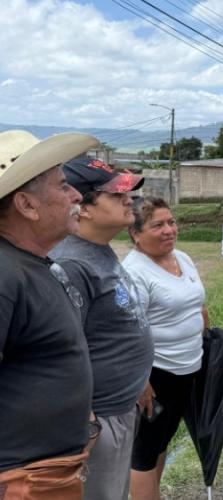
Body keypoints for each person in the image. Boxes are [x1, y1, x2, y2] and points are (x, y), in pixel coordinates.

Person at [0, 130, 99, 497]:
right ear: (27, 205)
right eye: (63, 186)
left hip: (47, 473)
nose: (76, 196)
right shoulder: (4, 274)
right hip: (23, 482)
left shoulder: (30, 264)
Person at [50, 158, 153, 500]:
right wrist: (89, 422)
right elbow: (60, 353)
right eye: (116, 194)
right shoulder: (72, 265)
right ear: (83, 207)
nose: (130, 200)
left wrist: (139, 379)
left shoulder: (98, 250)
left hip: (120, 407)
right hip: (99, 420)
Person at [123, 197, 208, 499]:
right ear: (135, 233)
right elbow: (129, 330)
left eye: (171, 222)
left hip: (186, 369)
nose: (169, 230)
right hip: (156, 375)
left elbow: (196, 302)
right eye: (157, 225)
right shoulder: (134, 271)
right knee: (144, 452)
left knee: (163, 441)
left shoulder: (181, 257)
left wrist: (203, 329)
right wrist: (140, 380)